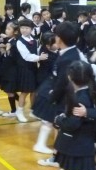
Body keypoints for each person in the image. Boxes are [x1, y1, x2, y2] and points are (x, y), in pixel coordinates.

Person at [51, 60, 96, 170]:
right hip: (84, 140)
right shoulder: (91, 91)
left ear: (70, 77)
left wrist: (59, 120)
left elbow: (73, 124)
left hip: (74, 141)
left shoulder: (80, 98)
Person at [35, 22, 83, 161]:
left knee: (59, 125)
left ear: (59, 39)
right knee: (53, 123)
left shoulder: (68, 58)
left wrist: (52, 98)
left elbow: (62, 82)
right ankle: (55, 155)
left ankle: (58, 157)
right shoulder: (68, 53)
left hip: (63, 97)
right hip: (58, 94)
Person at [15, 19, 48, 123]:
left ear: (31, 29)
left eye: (27, 28)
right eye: (22, 28)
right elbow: (26, 56)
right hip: (25, 69)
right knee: (25, 92)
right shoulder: (19, 41)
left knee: (34, 91)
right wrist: (39, 58)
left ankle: (33, 111)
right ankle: (19, 111)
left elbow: (36, 50)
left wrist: (41, 54)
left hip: (33, 68)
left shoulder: (33, 40)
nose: (24, 30)